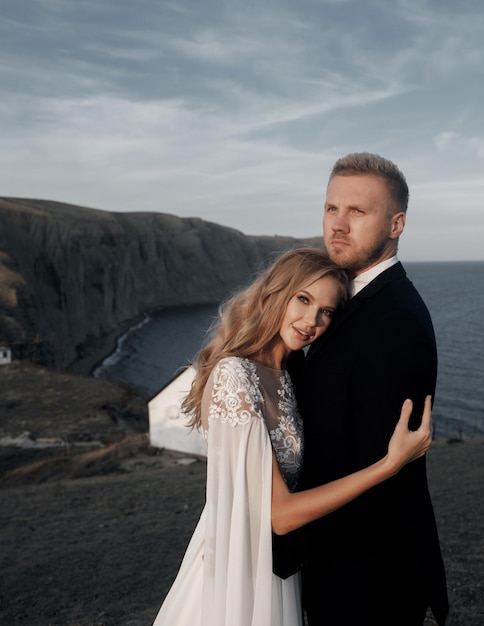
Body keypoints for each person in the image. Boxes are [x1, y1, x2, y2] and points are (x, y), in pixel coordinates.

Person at [151, 247, 434, 626]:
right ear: (276, 293)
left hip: (275, 567)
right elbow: (280, 515)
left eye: (327, 311)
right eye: (303, 299)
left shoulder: (290, 374)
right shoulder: (234, 375)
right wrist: (389, 464)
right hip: (237, 568)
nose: (311, 320)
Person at [281, 154, 449, 625]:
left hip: (368, 579)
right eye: (332, 208)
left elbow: (380, 473)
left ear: (396, 223)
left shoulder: (395, 322)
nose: (338, 224)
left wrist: (300, 547)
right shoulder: (344, 300)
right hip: (339, 568)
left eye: (357, 212)